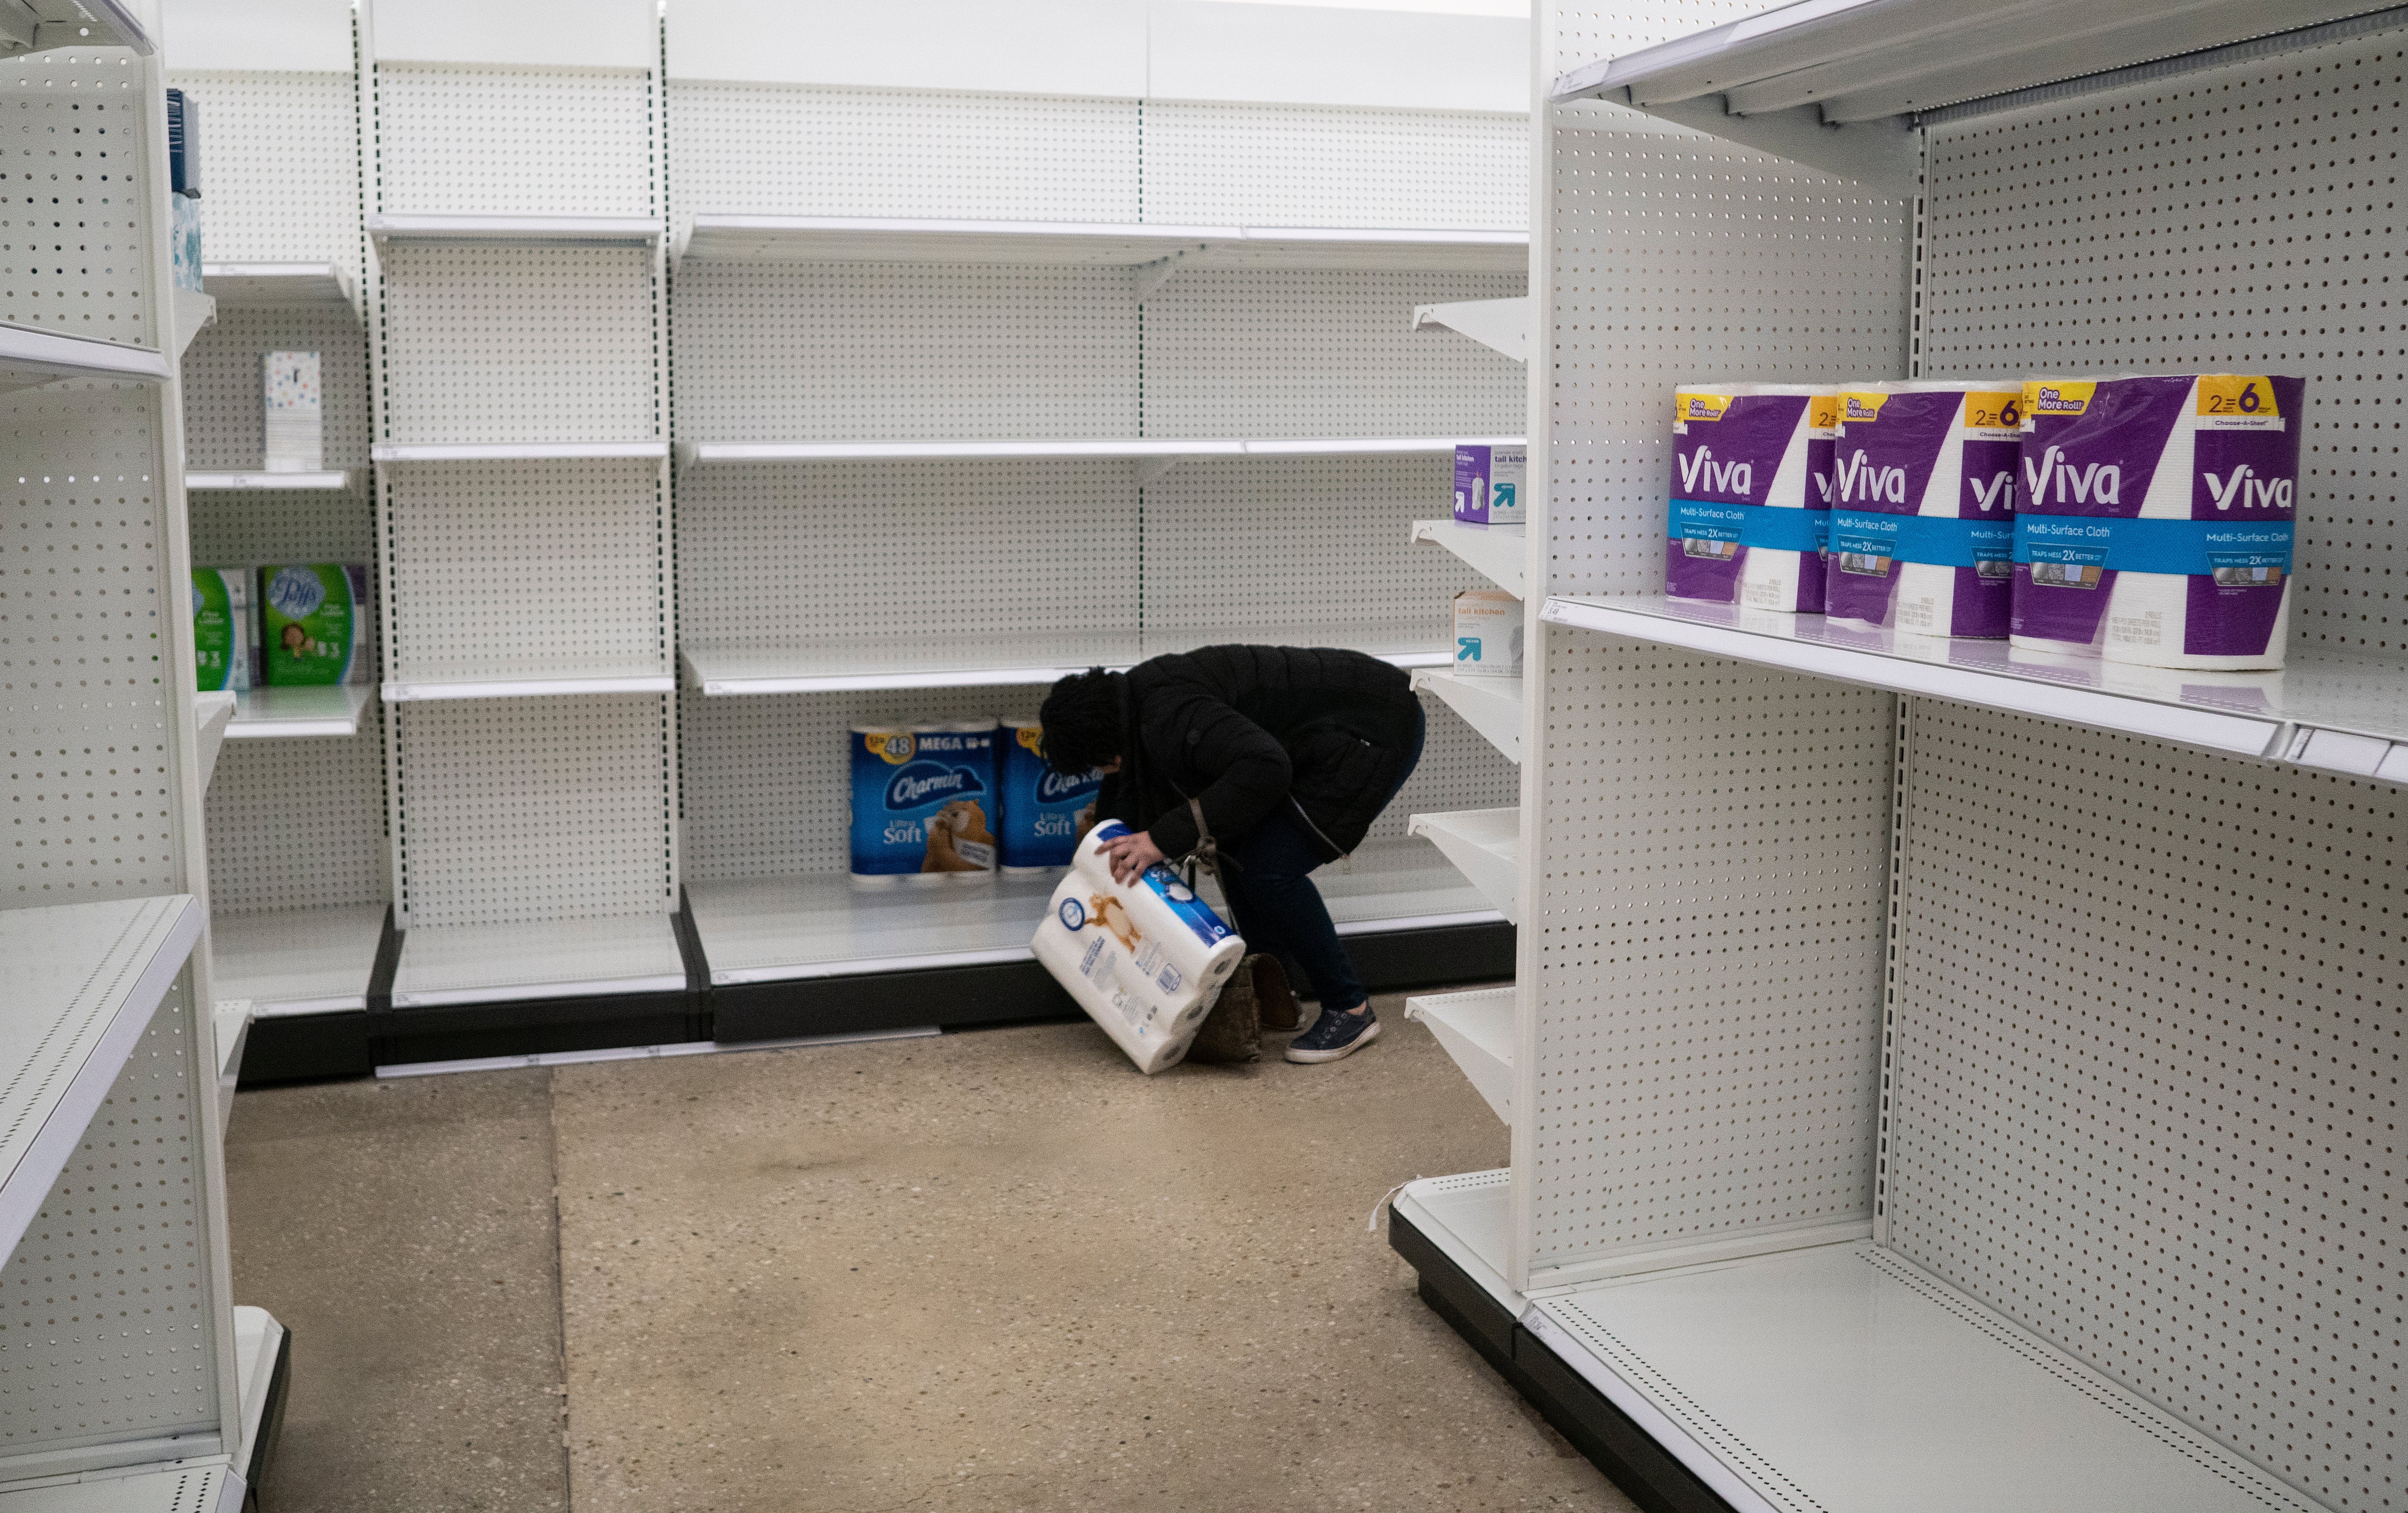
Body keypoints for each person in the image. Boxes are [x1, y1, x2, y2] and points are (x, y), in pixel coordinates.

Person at [1037, 645, 1426, 1065]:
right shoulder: (1135, 704)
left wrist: (1161, 840)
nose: (1103, 775)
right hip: (1335, 725)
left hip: (1373, 729)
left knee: (1270, 870)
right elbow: (1132, 787)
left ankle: (1350, 1010)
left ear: (1107, 749)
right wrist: (1106, 851)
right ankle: (1273, 999)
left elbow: (1264, 767)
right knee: (1238, 854)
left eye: (1099, 767)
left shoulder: (1171, 714)